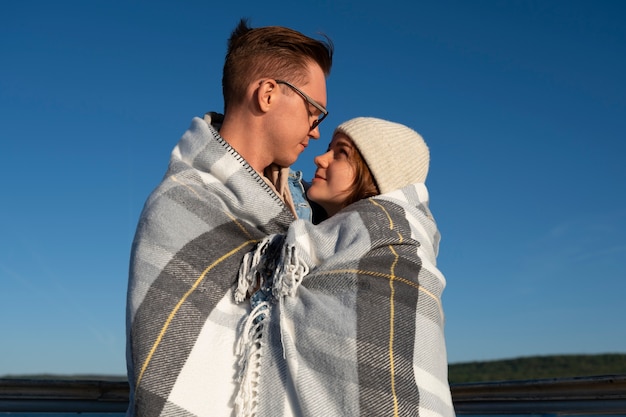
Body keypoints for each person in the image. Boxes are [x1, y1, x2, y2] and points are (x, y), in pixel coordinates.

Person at [126, 19, 333, 417]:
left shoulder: (306, 211)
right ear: (268, 94)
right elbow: (165, 376)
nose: (317, 132)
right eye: (315, 112)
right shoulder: (181, 205)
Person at [235, 117, 455, 417]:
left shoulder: (395, 250)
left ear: (377, 174)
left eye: (341, 153)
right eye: (328, 148)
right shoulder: (305, 240)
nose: (319, 158)